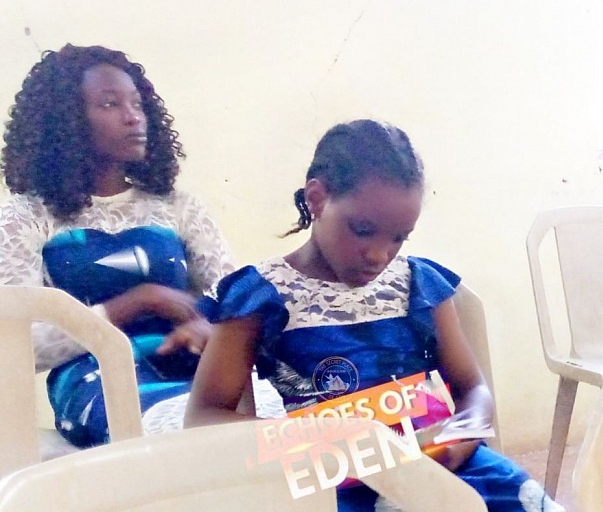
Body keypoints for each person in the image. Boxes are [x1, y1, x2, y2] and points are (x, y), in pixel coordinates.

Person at [185, 119, 563, 512]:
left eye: (399, 237)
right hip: (335, 485)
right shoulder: (261, 296)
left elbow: (474, 390)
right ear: (317, 199)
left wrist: (454, 440)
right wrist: (320, 440)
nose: (380, 255)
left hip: (444, 468)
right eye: (363, 230)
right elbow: (203, 418)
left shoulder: (419, 285)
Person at [0, 44, 235, 448]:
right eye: (110, 104)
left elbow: (235, 303)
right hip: (95, 381)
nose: (133, 117)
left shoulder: (179, 207)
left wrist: (207, 326)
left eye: (137, 104)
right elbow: (18, 348)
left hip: (194, 366)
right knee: (177, 439)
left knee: (265, 428)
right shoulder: (25, 217)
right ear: (66, 121)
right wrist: (137, 302)